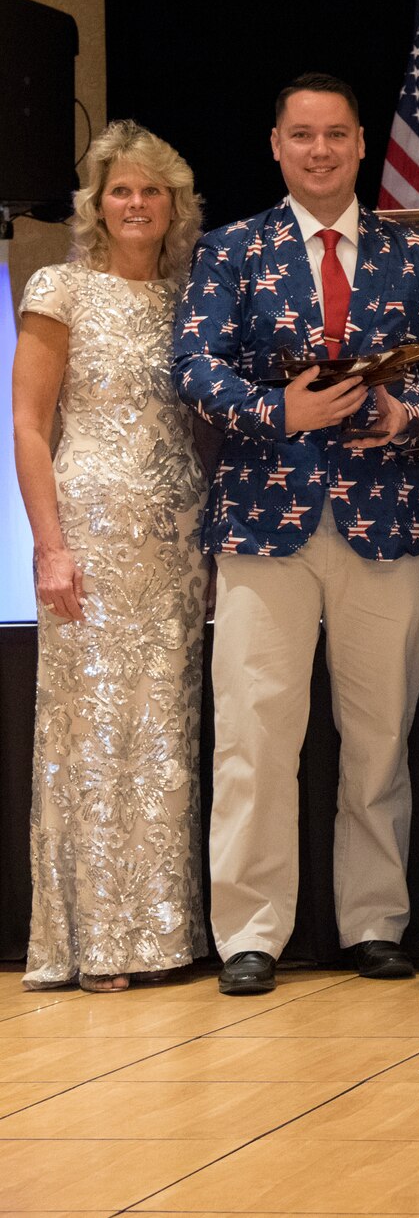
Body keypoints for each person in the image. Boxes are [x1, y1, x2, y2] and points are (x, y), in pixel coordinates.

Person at [176, 72, 419, 995]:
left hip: (389, 521)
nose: (321, 150)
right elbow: (191, 365)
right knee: (256, 734)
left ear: (359, 145)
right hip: (264, 525)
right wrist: (277, 410)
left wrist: (400, 410)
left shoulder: (412, 255)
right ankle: (251, 931)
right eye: (302, 134)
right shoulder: (230, 253)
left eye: (337, 134)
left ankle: (374, 920)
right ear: (275, 144)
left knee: (379, 735)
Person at [12, 122, 207, 991]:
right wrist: (48, 548)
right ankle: (94, 942)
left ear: (175, 206)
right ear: (96, 203)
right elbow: (27, 424)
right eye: (119, 190)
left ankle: (163, 932)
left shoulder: (193, 296)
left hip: (178, 547)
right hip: (90, 541)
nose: (135, 204)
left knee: (165, 735)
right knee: (94, 738)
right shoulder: (61, 287)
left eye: (151, 191)